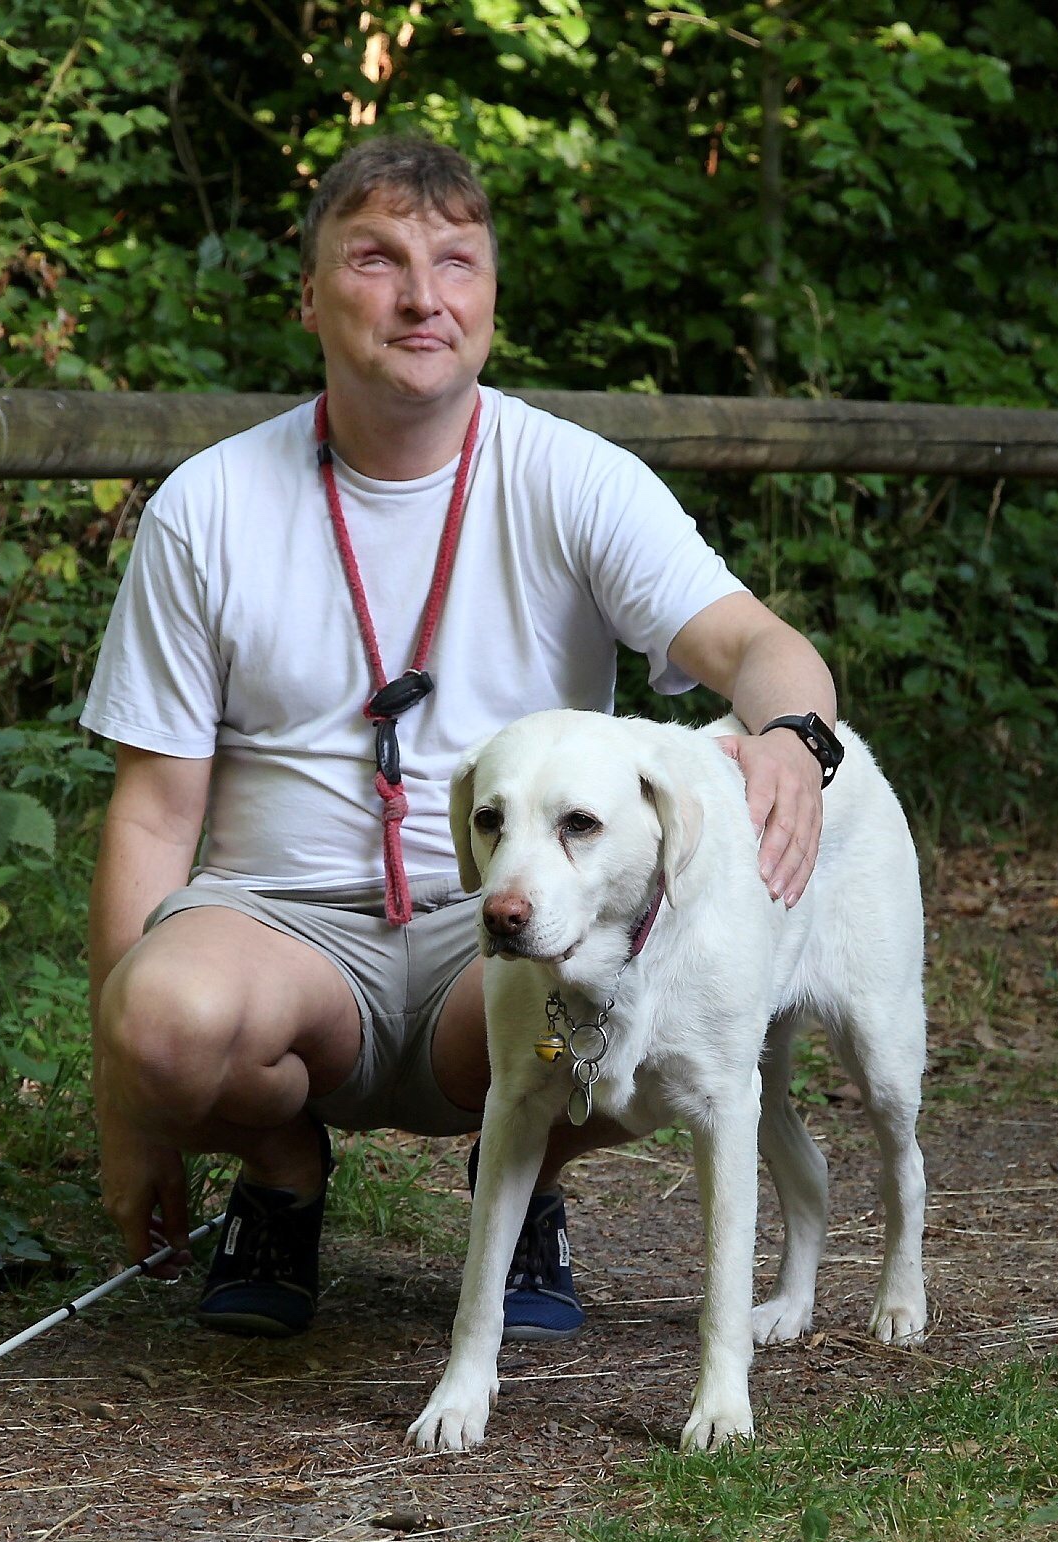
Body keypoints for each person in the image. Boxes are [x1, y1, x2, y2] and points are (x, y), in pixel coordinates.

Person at [80, 132, 842, 1342]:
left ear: (490, 296)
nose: (423, 296)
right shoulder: (209, 506)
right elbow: (155, 810)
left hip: (492, 933)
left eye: (457, 262)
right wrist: (131, 1114)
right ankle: (281, 1176)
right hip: (280, 931)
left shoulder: (575, 479)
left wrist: (796, 734)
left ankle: (529, 1177)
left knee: (633, 959)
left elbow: (757, 645)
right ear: (311, 293)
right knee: (164, 1025)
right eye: (378, 259)